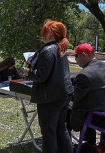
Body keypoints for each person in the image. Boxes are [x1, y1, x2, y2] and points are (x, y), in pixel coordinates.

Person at [22, 19, 73, 153]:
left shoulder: (48, 50)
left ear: (50, 33)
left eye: (44, 31)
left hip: (50, 97)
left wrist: (28, 72)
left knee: (49, 133)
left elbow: (41, 76)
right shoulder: (60, 48)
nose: (42, 34)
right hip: (63, 94)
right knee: (61, 129)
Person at [70, 43, 105, 151]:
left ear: (83, 55)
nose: (75, 59)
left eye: (76, 56)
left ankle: (65, 144)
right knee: (88, 103)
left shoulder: (84, 75)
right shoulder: (104, 65)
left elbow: (75, 97)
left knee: (67, 109)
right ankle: (90, 142)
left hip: (102, 116)